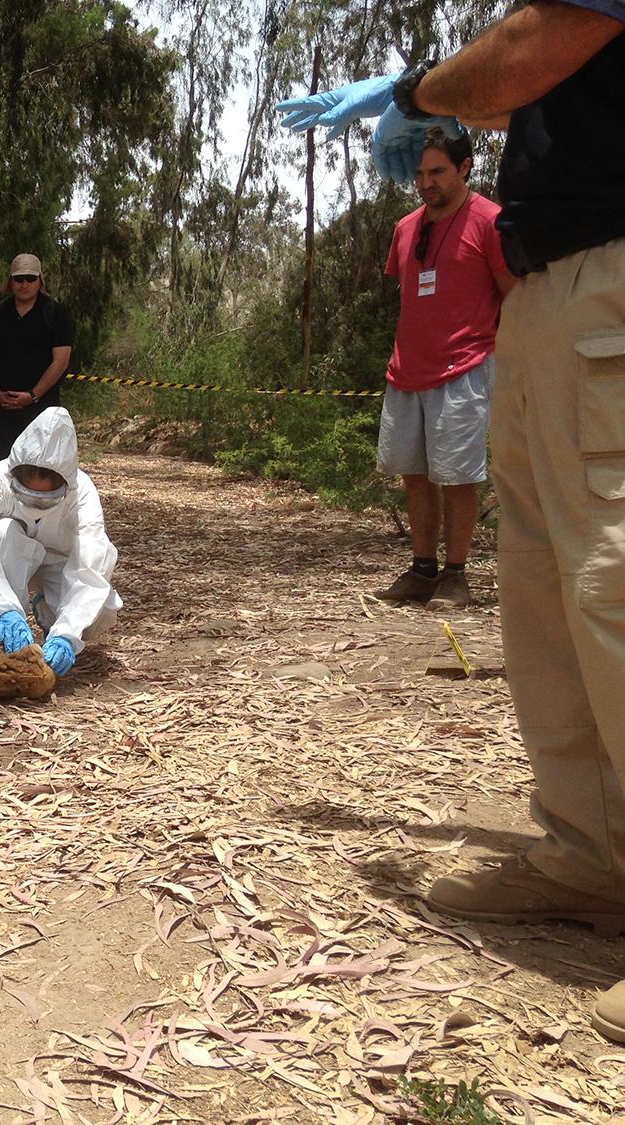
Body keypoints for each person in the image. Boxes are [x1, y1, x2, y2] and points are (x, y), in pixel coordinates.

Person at [276, 0, 625, 1043]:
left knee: (611, 584)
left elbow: (525, 56)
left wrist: (414, 92)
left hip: (610, 278)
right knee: (547, 595)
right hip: (557, 293)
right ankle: (594, 859)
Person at [374, 128, 514, 609]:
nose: (425, 182)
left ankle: (457, 575)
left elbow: (512, 294)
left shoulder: (490, 221)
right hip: (407, 370)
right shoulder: (405, 227)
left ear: (465, 167)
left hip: (466, 366)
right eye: (419, 173)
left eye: (436, 171)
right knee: (413, 474)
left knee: (458, 476)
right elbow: (409, 297)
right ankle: (422, 570)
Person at [0, 407, 121, 679]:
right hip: (10, 553)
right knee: (3, 532)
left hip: (60, 562)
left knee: (96, 614)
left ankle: (49, 615)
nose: (37, 506)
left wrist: (67, 634)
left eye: (45, 499)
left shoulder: (84, 493)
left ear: (66, 484)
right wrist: (2, 610)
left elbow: (91, 567)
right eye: (30, 497)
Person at [0, 253, 75, 472]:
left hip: (43, 410)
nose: (24, 284)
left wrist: (33, 395)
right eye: (19, 278)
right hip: (3, 409)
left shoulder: (57, 314)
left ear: (40, 280)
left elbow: (60, 361)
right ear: (10, 281)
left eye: (30, 278)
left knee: (40, 472)